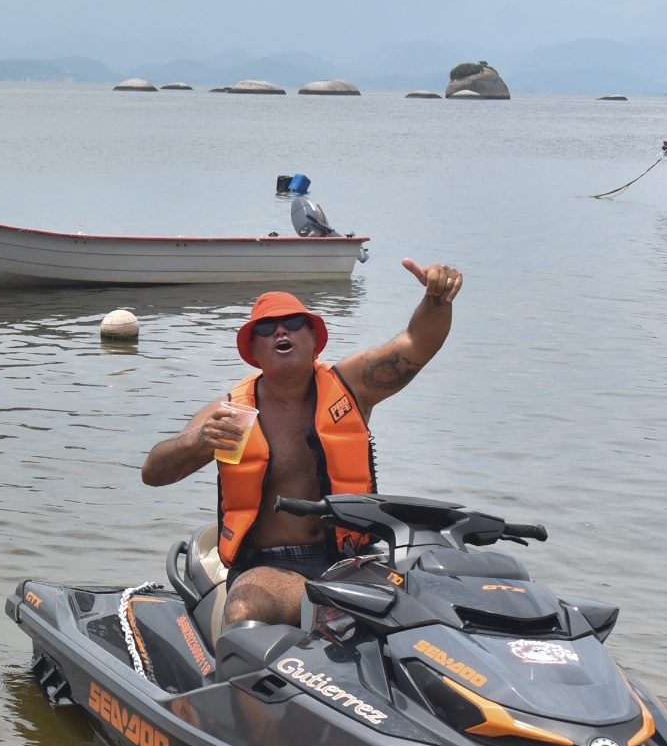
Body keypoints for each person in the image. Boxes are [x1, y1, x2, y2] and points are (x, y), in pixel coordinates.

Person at [141, 258, 465, 627]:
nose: (282, 331)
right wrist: (197, 442)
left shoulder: (353, 386)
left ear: (313, 340)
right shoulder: (230, 412)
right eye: (267, 328)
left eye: (294, 323)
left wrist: (436, 299)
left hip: (354, 561)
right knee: (245, 609)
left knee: (445, 603)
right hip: (270, 567)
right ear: (253, 350)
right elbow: (153, 472)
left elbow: (417, 343)